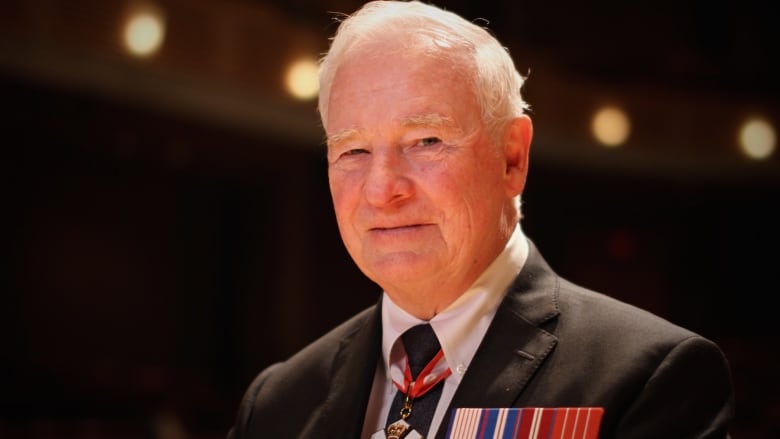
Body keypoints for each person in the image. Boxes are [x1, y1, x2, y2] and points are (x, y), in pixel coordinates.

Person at [227, 1, 736, 438]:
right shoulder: (276, 403)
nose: (382, 190)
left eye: (426, 141)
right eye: (353, 150)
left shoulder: (648, 378)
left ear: (511, 157)